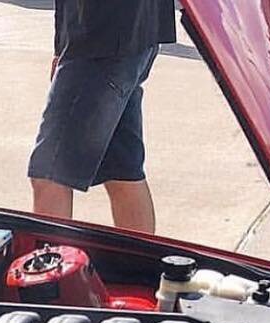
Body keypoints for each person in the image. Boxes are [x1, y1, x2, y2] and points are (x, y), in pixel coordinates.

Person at [28, 0, 177, 234]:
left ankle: (50, 256)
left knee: (50, 175)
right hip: (127, 36)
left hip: (101, 41)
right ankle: (137, 258)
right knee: (121, 172)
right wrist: (61, 43)